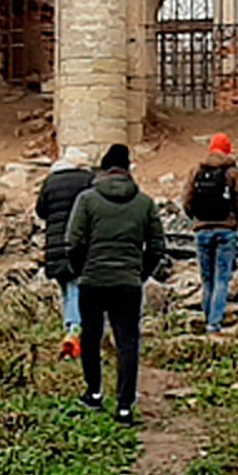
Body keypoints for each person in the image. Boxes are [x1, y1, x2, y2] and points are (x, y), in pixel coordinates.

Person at [66, 143, 167, 427]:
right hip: (128, 284)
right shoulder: (144, 202)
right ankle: (124, 408)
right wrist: (140, 273)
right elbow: (158, 246)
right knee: (128, 343)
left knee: (91, 338)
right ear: (127, 170)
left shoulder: (87, 200)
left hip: (93, 280)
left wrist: (81, 269)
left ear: (104, 169)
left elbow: (73, 241)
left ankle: (94, 393)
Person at [182, 132, 238, 334]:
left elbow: (186, 198)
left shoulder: (197, 169)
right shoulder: (233, 172)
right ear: (228, 149)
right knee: (222, 278)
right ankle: (214, 323)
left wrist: (196, 218)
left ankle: (207, 318)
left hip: (202, 230)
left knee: (207, 279)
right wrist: (235, 220)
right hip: (226, 230)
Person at [35, 145, 95, 359]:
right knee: (78, 285)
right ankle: (75, 330)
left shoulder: (50, 181)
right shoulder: (88, 180)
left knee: (66, 287)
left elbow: (40, 210)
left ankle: (70, 328)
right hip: (79, 243)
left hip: (54, 244)